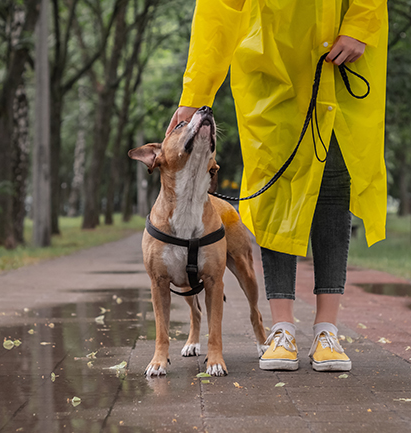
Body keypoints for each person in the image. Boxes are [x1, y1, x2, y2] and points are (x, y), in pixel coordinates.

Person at [166, 0, 388, 371]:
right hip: (270, 68)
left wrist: (362, 24)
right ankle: (281, 329)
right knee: (274, 194)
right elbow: (218, 12)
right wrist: (195, 94)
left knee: (333, 189)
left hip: (338, 57)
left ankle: (326, 331)